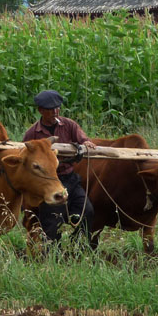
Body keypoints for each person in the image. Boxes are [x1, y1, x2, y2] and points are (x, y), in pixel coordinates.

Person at [22, 89, 96, 245]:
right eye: (50, 109)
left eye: (57, 108)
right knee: (52, 221)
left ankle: (80, 246)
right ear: (41, 111)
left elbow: (83, 139)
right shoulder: (32, 134)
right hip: (48, 181)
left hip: (70, 178)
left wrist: (86, 143)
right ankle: (51, 255)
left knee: (86, 211)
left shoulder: (69, 125)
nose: (55, 111)